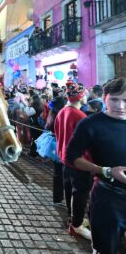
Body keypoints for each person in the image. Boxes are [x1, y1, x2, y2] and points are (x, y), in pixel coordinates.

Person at [66, 77, 126, 254]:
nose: (120, 106)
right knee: (104, 249)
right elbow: (72, 157)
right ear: (104, 97)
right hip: (108, 198)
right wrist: (106, 171)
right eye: (115, 99)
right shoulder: (91, 124)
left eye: (125, 100)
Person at [54, 80, 91, 240]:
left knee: (69, 190)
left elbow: (56, 132)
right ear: (80, 97)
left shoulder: (62, 111)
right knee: (80, 193)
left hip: (64, 159)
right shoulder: (80, 116)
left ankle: (73, 218)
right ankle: (77, 224)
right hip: (78, 162)